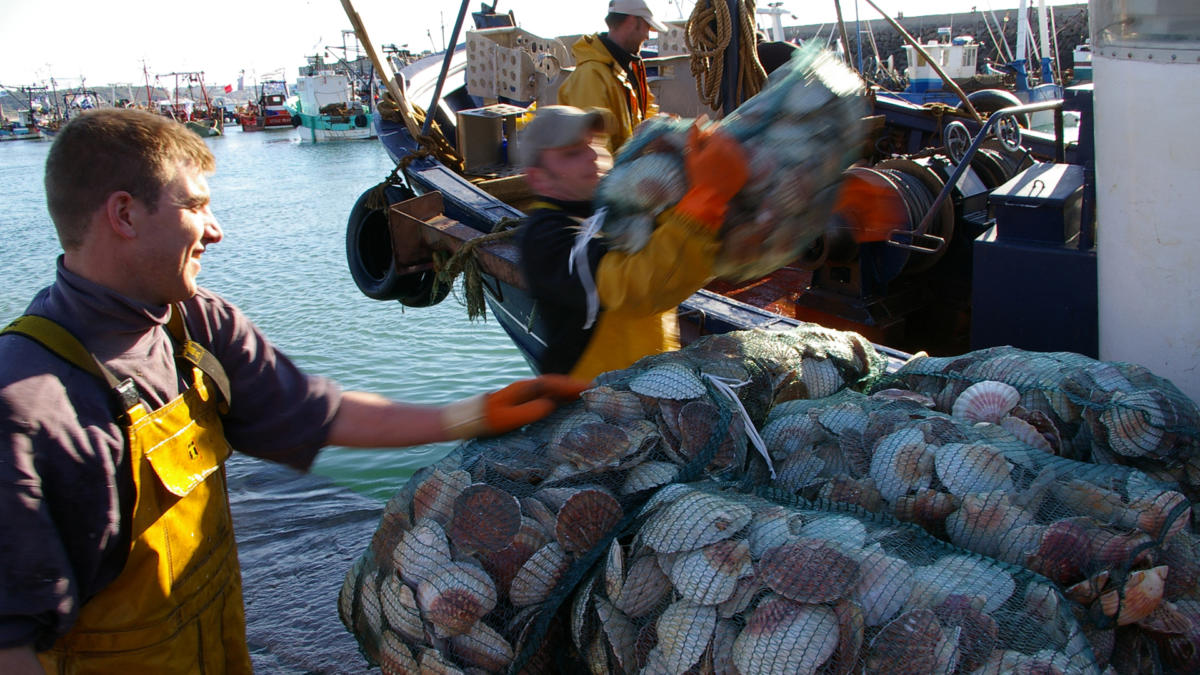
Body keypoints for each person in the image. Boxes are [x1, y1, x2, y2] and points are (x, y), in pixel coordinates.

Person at [0, 108, 588, 674]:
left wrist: (475, 414)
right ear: (123, 215)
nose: (216, 230)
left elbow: (319, 414)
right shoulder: (27, 404)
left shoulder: (196, 326)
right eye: (195, 206)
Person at [517, 105, 748, 380]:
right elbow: (634, 287)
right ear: (538, 178)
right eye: (573, 153)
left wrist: (672, 164)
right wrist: (707, 197)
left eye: (594, 144)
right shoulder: (545, 238)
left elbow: (676, 257)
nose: (593, 156)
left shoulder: (613, 211)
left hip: (649, 382)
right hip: (591, 400)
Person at [557, 0, 668, 154]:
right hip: (616, 174)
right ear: (631, 21)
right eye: (646, 27)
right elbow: (595, 155)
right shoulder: (591, 75)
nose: (647, 35)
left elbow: (646, 112)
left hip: (631, 168)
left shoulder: (631, 65)